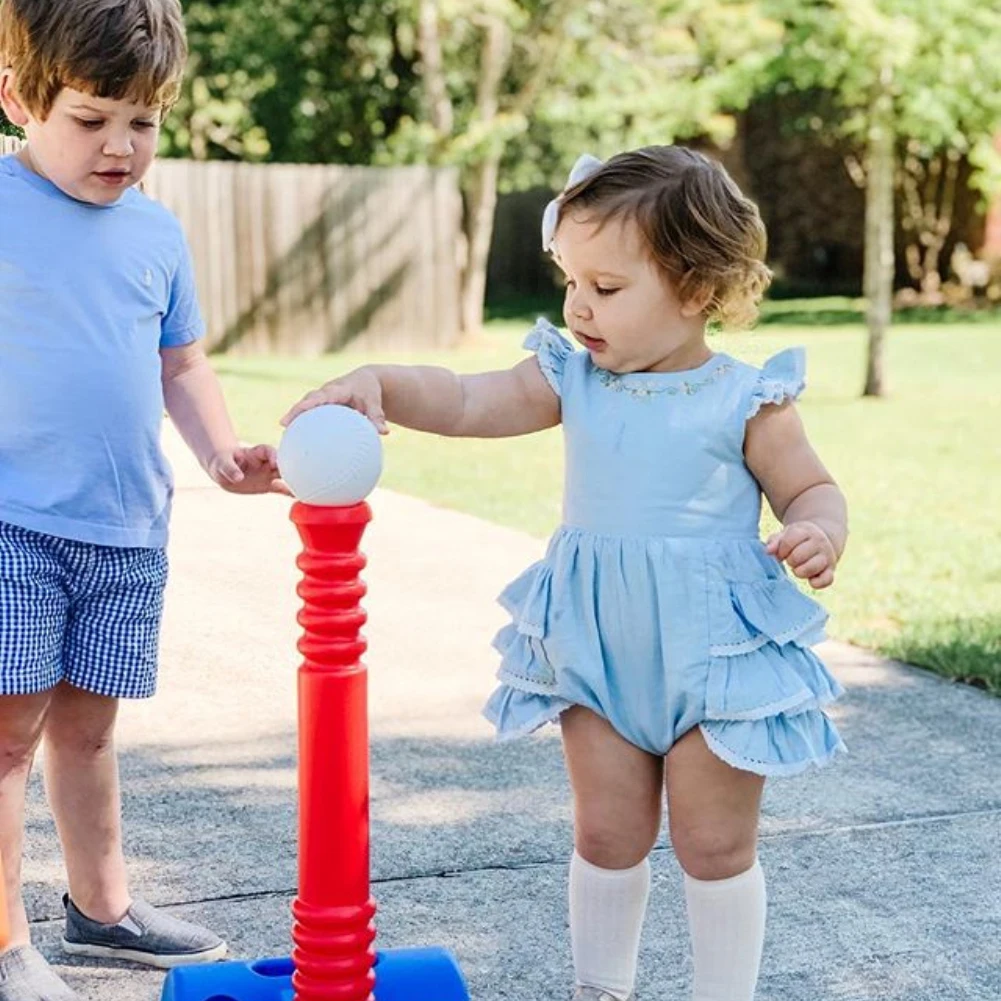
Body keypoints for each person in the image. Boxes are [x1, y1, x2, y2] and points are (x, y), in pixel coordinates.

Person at [281, 145, 849, 1001]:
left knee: (714, 844)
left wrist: (814, 529)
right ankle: (599, 987)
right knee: (607, 831)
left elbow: (809, 486)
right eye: (571, 282)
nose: (579, 306)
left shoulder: (746, 398)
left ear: (696, 289)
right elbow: (467, 399)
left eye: (607, 289)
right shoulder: (571, 378)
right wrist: (380, 383)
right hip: (596, 648)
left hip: (718, 662)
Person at [0, 2, 285, 998]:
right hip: (11, 520)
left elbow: (180, 361)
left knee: (90, 729)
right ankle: (3, 943)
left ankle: (102, 908)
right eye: (90, 119)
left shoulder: (157, 233)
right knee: (6, 733)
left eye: (143, 121)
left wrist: (220, 452)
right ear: (17, 100)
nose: (120, 146)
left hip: (124, 525)